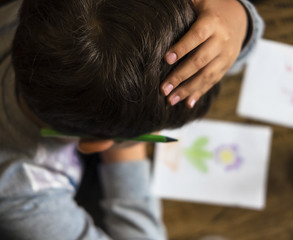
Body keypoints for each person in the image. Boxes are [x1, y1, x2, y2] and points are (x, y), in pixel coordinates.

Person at [0, 0, 263, 240]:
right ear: (98, 144)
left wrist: (238, 19)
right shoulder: (19, 192)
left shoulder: (41, 17)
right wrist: (125, 149)